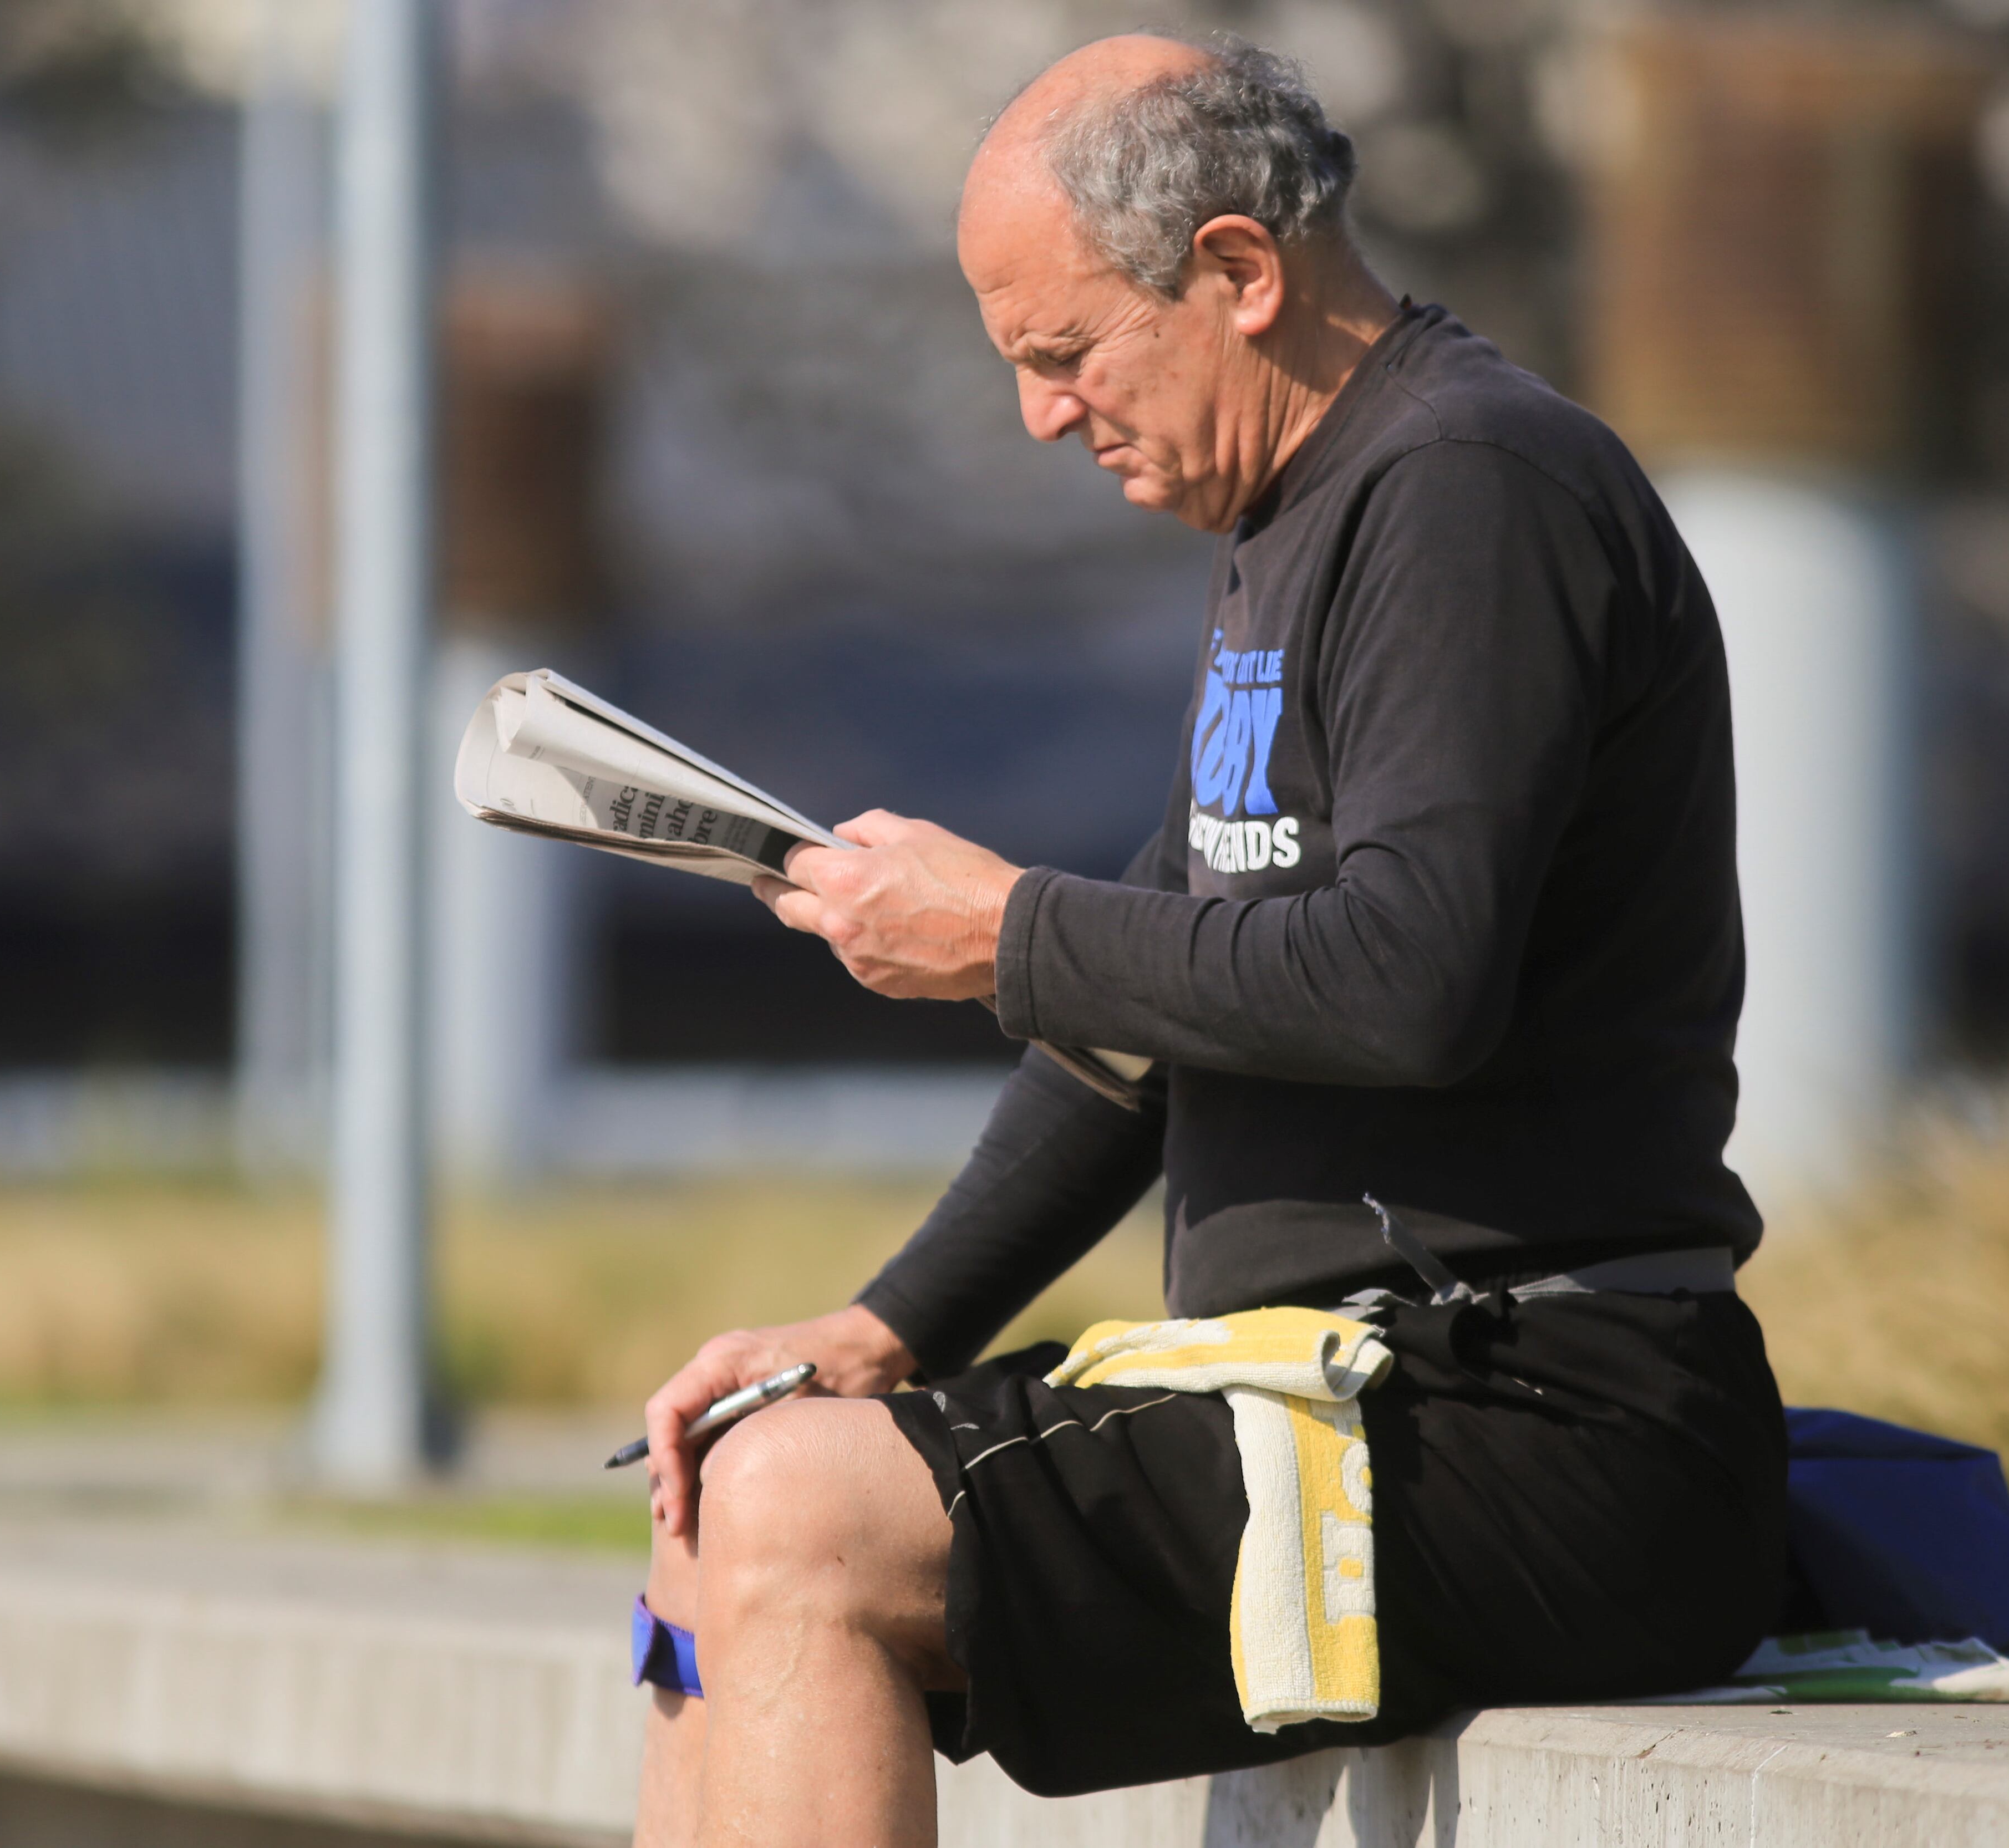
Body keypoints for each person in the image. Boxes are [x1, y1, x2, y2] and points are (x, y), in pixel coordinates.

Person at [628, 30, 1788, 1848]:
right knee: (721, 1498)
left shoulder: (1469, 489)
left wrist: (1008, 929)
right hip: (1374, 1395)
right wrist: (884, 1329)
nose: (1041, 416)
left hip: (1542, 1419)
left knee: (797, 1520)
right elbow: (1150, 1022)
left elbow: (1408, 979)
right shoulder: (1291, 523)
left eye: (1063, 353)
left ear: (1239, 270)